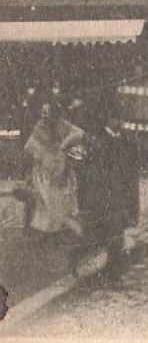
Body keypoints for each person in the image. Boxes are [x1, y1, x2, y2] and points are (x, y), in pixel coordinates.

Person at [79, 92, 140, 284]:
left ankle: (114, 273)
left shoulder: (125, 141)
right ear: (110, 119)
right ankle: (106, 272)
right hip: (102, 195)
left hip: (119, 196)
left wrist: (132, 200)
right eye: (117, 118)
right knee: (103, 235)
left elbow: (131, 172)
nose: (120, 122)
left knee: (115, 235)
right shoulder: (99, 141)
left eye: (121, 119)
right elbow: (89, 171)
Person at [23, 98, 85, 238]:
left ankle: (56, 231)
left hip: (61, 171)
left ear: (54, 114)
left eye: (46, 112)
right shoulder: (39, 127)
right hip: (43, 173)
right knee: (45, 202)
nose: (43, 115)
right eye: (42, 112)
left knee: (60, 202)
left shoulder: (62, 125)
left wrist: (64, 144)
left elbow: (79, 132)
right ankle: (47, 232)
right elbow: (30, 149)